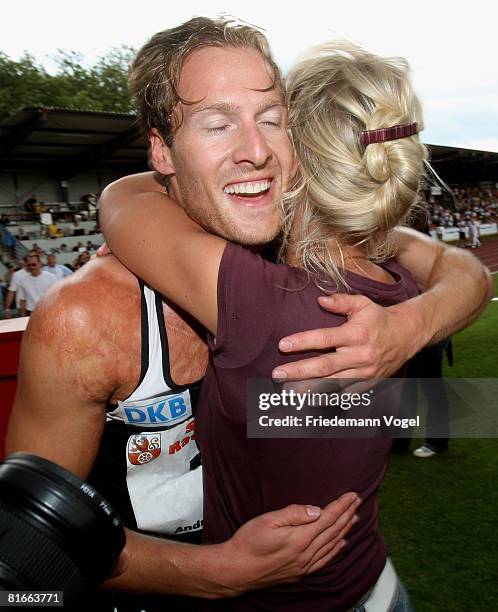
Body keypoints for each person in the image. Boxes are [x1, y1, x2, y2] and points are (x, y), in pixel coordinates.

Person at [6, 17, 492, 611]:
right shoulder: (84, 318)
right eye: (216, 124)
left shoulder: (300, 244)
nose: (255, 151)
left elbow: (457, 266)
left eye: (272, 119)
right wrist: (210, 572)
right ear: (161, 148)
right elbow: (29, 554)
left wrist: (411, 327)